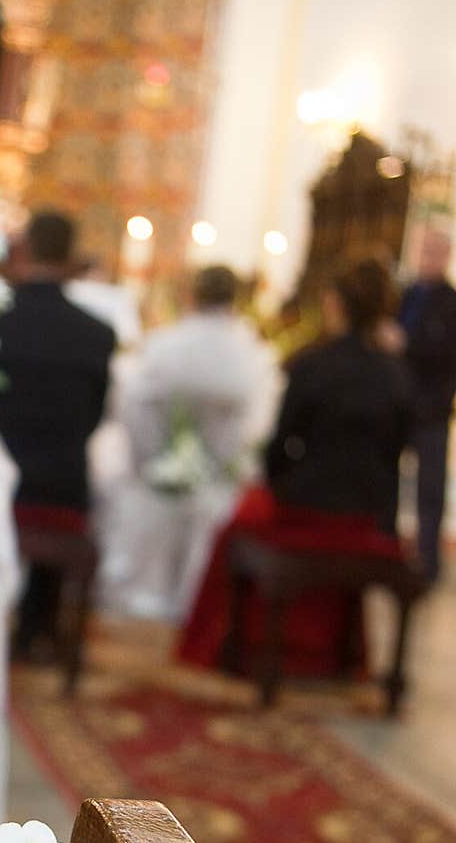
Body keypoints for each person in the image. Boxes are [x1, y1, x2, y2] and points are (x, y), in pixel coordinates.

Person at [178, 258, 414, 677]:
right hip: (366, 511)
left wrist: (275, 484)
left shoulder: (312, 364)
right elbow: (395, 453)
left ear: (334, 303)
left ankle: (235, 645)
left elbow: (284, 443)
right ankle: (334, 655)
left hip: (307, 503)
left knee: (233, 529)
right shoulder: (395, 375)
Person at [99, 264, 279, 622]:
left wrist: (150, 461)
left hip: (158, 474)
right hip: (220, 480)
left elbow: (136, 405)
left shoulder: (167, 345)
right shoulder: (253, 355)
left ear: (191, 295)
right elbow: (260, 425)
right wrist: (229, 465)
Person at [0, 211, 116, 655]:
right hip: (61, 480)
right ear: (71, 255)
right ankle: (38, 624)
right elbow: (94, 416)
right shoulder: (97, 333)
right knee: (68, 472)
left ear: (26, 248)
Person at [397, 229, 456, 583]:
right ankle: (385, 548)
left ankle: (429, 562)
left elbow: (446, 354)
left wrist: (406, 342)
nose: (428, 257)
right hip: (399, 404)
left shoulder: (451, 302)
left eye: (436, 251)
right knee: (385, 477)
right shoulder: (406, 294)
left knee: (430, 489)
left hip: (431, 407)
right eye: (425, 249)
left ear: (447, 256)